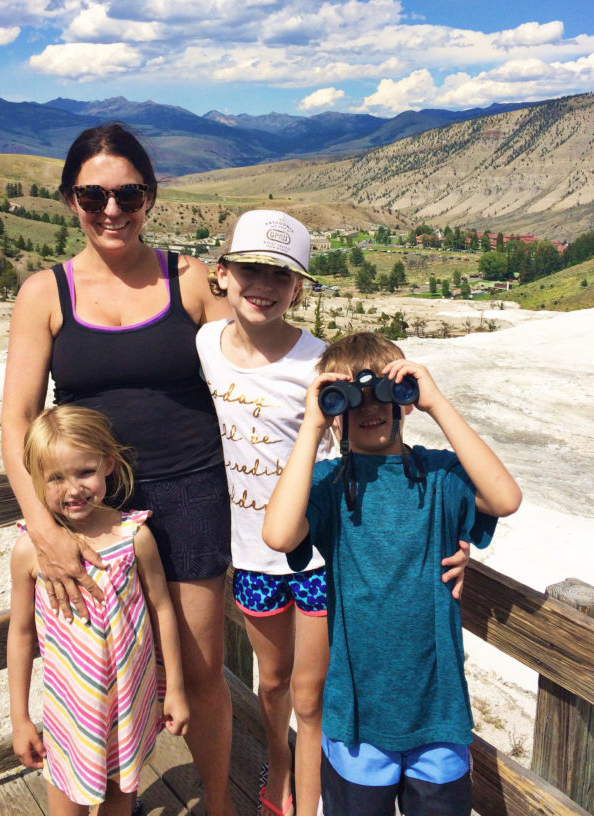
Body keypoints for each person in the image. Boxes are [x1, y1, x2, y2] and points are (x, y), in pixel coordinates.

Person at [196, 214, 470, 816]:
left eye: (280, 273)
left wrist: (451, 536)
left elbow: (369, 456)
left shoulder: (327, 364)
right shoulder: (204, 348)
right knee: (271, 683)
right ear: (223, 274)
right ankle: (282, 760)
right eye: (250, 269)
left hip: (322, 552)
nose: (263, 282)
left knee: (312, 691)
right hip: (253, 548)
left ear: (299, 287)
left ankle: (313, 796)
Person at [0, 122, 237, 816]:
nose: (112, 209)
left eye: (127, 193)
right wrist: (44, 528)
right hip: (90, 509)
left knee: (198, 671)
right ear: (70, 199)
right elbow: (16, 422)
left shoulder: (188, 280)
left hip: (192, 492)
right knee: (97, 671)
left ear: (150, 197)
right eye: (93, 194)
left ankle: (220, 805)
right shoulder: (45, 294)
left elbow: (250, 378)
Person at [262, 332, 522, 816]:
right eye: (350, 399)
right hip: (357, 717)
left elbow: (505, 499)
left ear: (402, 398)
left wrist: (436, 403)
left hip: (437, 713)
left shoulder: (441, 475)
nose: (368, 408)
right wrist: (312, 424)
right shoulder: (327, 486)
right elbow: (278, 535)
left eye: (383, 389)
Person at [7, 404, 189, 816]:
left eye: (84, 472)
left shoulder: (135, 537)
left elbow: (162, 609)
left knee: (119, 798)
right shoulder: (28, 553)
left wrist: (174, 687)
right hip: (72, 711)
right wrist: (20, 719)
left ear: (108, 464)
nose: (73, 489)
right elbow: (20, 634)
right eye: (55, 477)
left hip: (129, 703)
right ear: (35, 479)